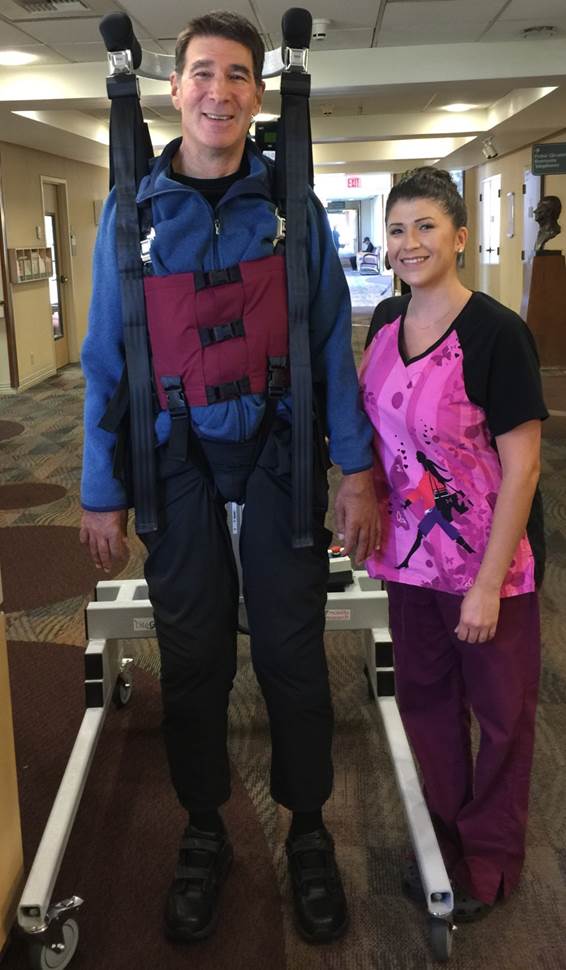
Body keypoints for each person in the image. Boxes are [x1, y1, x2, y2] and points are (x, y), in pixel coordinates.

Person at [79, 10, 379, 946]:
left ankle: (308, 825)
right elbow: (104, 356)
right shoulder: (130, 213)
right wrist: (99, 484)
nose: (219, 90)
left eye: (238, 75)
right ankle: (206, 823)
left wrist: (357, 469)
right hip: (175, 462)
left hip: (283, 448)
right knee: (196, 656)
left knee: (293, 655)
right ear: (175, 89)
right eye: (202, 72)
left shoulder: (292, 208)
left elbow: (333, 342)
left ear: (257, 93)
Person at [359, 167, 547, 922]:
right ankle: (442, 835)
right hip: (410, 563)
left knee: (502, 717)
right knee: (427, 704)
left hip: (489, 568)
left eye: (426, 226)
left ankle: (491, 859)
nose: (410, 243)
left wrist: (485, 582)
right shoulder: (381, 321)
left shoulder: (497, 333)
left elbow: (524, 465)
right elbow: (381, 439)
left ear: (460, 237)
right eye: (397, 229)